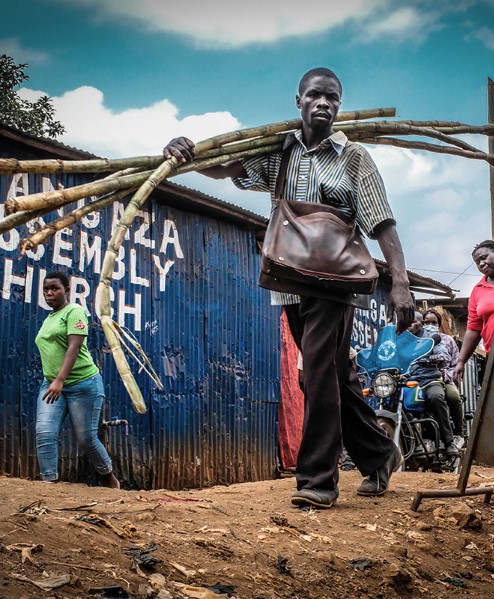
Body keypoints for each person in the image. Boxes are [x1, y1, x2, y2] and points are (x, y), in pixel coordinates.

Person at [164, 67, 414, 509]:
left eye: (332, 98)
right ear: (297, 100)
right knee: (333, 377)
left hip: (336, 284)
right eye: (315, 95)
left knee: (315, 374)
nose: (324, 103)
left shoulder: (353, 157)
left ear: (339, 105)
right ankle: (379, 455)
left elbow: (382, 222)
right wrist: (189, 152)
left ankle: (318, 479)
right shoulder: (278, 151)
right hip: (289, 282)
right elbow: (227, 168)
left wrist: (401, 283)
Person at [35, 271, 120, 489]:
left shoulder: (75, 311)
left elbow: (74, 346)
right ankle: (49, 484)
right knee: (44, 433)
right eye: (46, 289)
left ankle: (109, 478)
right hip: (52, 384)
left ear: (67, 290)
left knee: (86, 439)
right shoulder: (50, 318)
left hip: (83, 384)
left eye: (55, 288)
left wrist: (60, 379)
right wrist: (55, 381)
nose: (49, 293)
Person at [453, 240, 494, 387]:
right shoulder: (477, 290)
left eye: (484, 257)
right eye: (477, 262)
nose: (481, 264)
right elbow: (473, 328)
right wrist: (461, 361)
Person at [407, 312, 459, 458]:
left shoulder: (431, 336)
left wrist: (436, 358)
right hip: (408, 381)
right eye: (407, 322)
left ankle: (449, 442)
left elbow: (444, 354)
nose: (410, 325)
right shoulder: (401, 337)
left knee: (436, 397)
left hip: (430, 379)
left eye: (414, 322)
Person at [422, 309, 464, 439]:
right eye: (427, 322)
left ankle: (458, 432)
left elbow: (455, 364)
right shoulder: (417, 340)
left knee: (453, 396)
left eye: (434, 322)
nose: (430, 325)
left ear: (439, 324)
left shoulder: (448, 340)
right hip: (421, 379)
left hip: (444, 379)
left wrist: (445, 374)